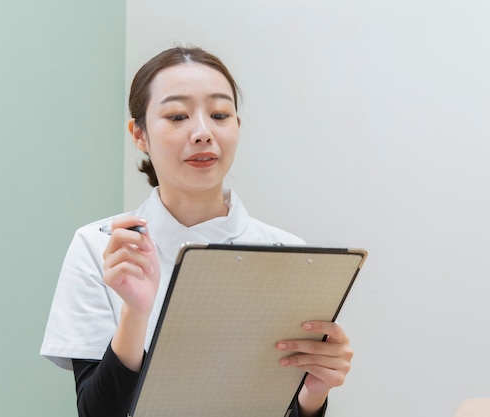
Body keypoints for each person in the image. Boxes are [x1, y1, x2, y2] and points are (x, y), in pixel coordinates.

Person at [40, 46, 353, 417]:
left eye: (220, 114)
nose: (203, 132)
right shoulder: (100, 246)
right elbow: (97, 412)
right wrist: (136, 313)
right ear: (139, 134)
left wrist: (313, 395)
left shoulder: (290, 253)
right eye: (177, 116)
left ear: (237, 127)